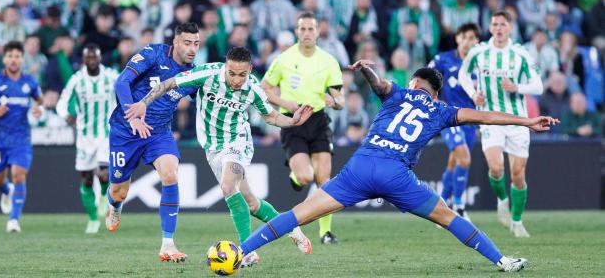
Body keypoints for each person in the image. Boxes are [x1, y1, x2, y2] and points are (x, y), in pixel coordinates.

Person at [235, 63, 557, 272]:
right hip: (396, 175)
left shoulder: (398, 93)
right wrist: (527, 121)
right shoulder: (442, 110)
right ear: (435, 92)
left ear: (415, 81)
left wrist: (366, 71)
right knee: (448, 217)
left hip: (361, 167)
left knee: (299, 214)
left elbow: (379, 84)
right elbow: (485, 116)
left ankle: (239, 250)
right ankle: (502, 260)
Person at [124, 46, 314, 267]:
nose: (236, 80)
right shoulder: (208, 74)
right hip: (213, 148)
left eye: (242, 74)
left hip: (238, 143)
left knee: (227, 186)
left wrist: (293, 121)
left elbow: (270, 117)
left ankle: (246, 251)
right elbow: (169, 83)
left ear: (250, 70)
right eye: (232, 73)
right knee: (251, 204)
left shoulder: (252, 87)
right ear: (225, 66)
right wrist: (143, 103)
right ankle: (293, 229)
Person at [104, 23, 201, 262]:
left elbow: (205, 101)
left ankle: (168, 244)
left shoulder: (193, 74)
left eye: (196, 44)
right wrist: (134, 116)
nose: (192, 49)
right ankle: (114, 206)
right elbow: (121, 83)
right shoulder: (153, 53)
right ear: (175, 42)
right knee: (119, 191)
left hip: (158, 133)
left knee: (170, 175)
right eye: (187, 43)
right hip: (125, 131)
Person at [261, 11, 345, 244]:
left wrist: (335, 101)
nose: (307, 33)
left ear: (318, 31)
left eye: (311, 28)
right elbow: (264, 88)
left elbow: (340, 100)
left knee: (324, 181)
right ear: (297, 31)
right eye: (302, 29)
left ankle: (324, 232)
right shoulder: (284, 59)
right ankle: (296, 178)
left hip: (318, 121)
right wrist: (286, 103)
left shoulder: (328, 61)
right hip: (293, 121)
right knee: (306, 177)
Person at [458, 11, 543, 238]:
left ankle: (517, 222)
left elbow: (538, 86)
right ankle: (502, 201)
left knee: (518, 175)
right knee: (496, 168)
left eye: (502, 24)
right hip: (490, 118)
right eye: (494, 24)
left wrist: (518, 88)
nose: (498, 28)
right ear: (490, 27)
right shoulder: (479, 52)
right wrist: (473, 93)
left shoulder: (520, 54)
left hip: (517, 121)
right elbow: (463, 74)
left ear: (510, 28)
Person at [0, 40, 43, 233]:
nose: (13, 60)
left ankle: (13, 220)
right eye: (10, 56)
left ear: (22, 59)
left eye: (17, 56)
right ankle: (7, 192)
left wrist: (39, 109)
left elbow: (40, 99)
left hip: (21, 138)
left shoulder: (30, 82)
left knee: (19, 176)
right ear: (4, 59)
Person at [55, 44, 119, 234]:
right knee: (86, 180)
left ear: (99, 58)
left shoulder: (111, 76)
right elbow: (62, 102)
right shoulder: (77, 80)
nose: (91, 61)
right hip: (84, 137)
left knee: (104, 174)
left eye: (94, 57)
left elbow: (127, 85)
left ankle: (102, 195)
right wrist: (66, 115)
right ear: (84, 60)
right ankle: (92, 219)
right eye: (88, 58)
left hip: (106, 134)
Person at [428, 23, 480, 218]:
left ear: (477, 42)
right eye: (464, 37)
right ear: (457, 38)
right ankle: (459, 206)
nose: (468, 42)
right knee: (465, 158)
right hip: (449, 117)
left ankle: (438, 209)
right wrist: (434, 99)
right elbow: (425, 77)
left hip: (470, 121)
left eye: (472, 38)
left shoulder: (480, 64)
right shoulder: (444, 59)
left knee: (453, 163)